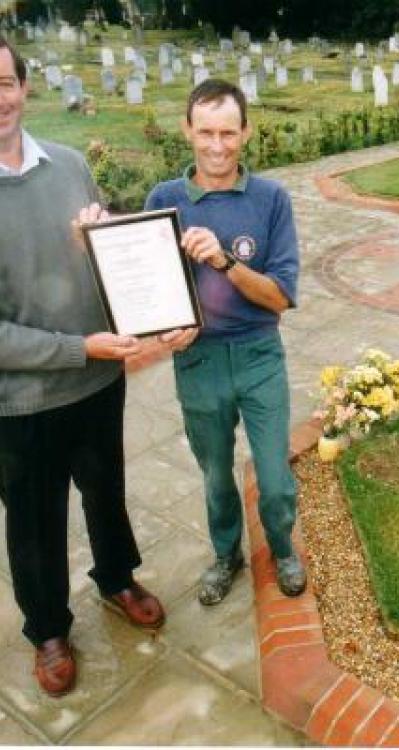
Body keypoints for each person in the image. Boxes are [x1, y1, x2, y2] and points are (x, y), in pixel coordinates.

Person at [0, 37, 165, 698]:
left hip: (97, 384)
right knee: (34, 519)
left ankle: (117, 576)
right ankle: (47, 629)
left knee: (105, 490)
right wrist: (81, 348)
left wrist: (102, 243)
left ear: (23, 87)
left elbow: (110, 260)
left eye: (5, 82)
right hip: (22, 400)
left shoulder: (68, 164)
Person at [145, 79, 306, 604]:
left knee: (276, 478)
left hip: (259, 355)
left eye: (228, 133)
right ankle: (225, 555)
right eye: (206, 132)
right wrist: (165, 327)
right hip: (199, 361)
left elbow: (279, 297)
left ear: (246, 133)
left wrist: (225, 261)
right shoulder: (165, 200)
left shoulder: (270, 200)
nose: (217, 146)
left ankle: (282, 547)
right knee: (215, 475)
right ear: (187, 130)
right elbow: (149, 293)